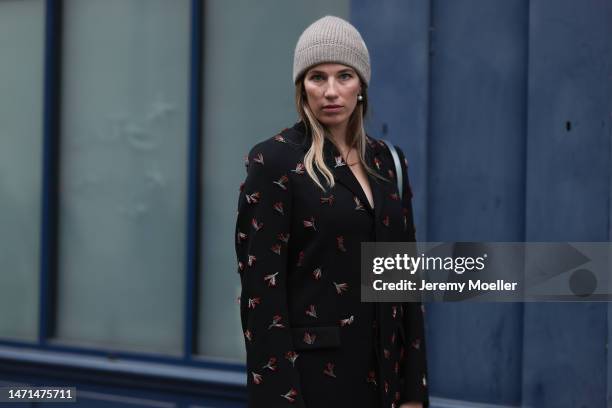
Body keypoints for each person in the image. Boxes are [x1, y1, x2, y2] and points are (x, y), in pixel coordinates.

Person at [234, 15, 428, 408]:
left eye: (344, 76)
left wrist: (413, 393)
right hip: (313, 386)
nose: (331, 91)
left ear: (362, 86)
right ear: (302, 88)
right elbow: (261, 299)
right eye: (317, 77)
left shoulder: (389, 162)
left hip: (386, 386)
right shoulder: (274, 161)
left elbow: (405, 283)